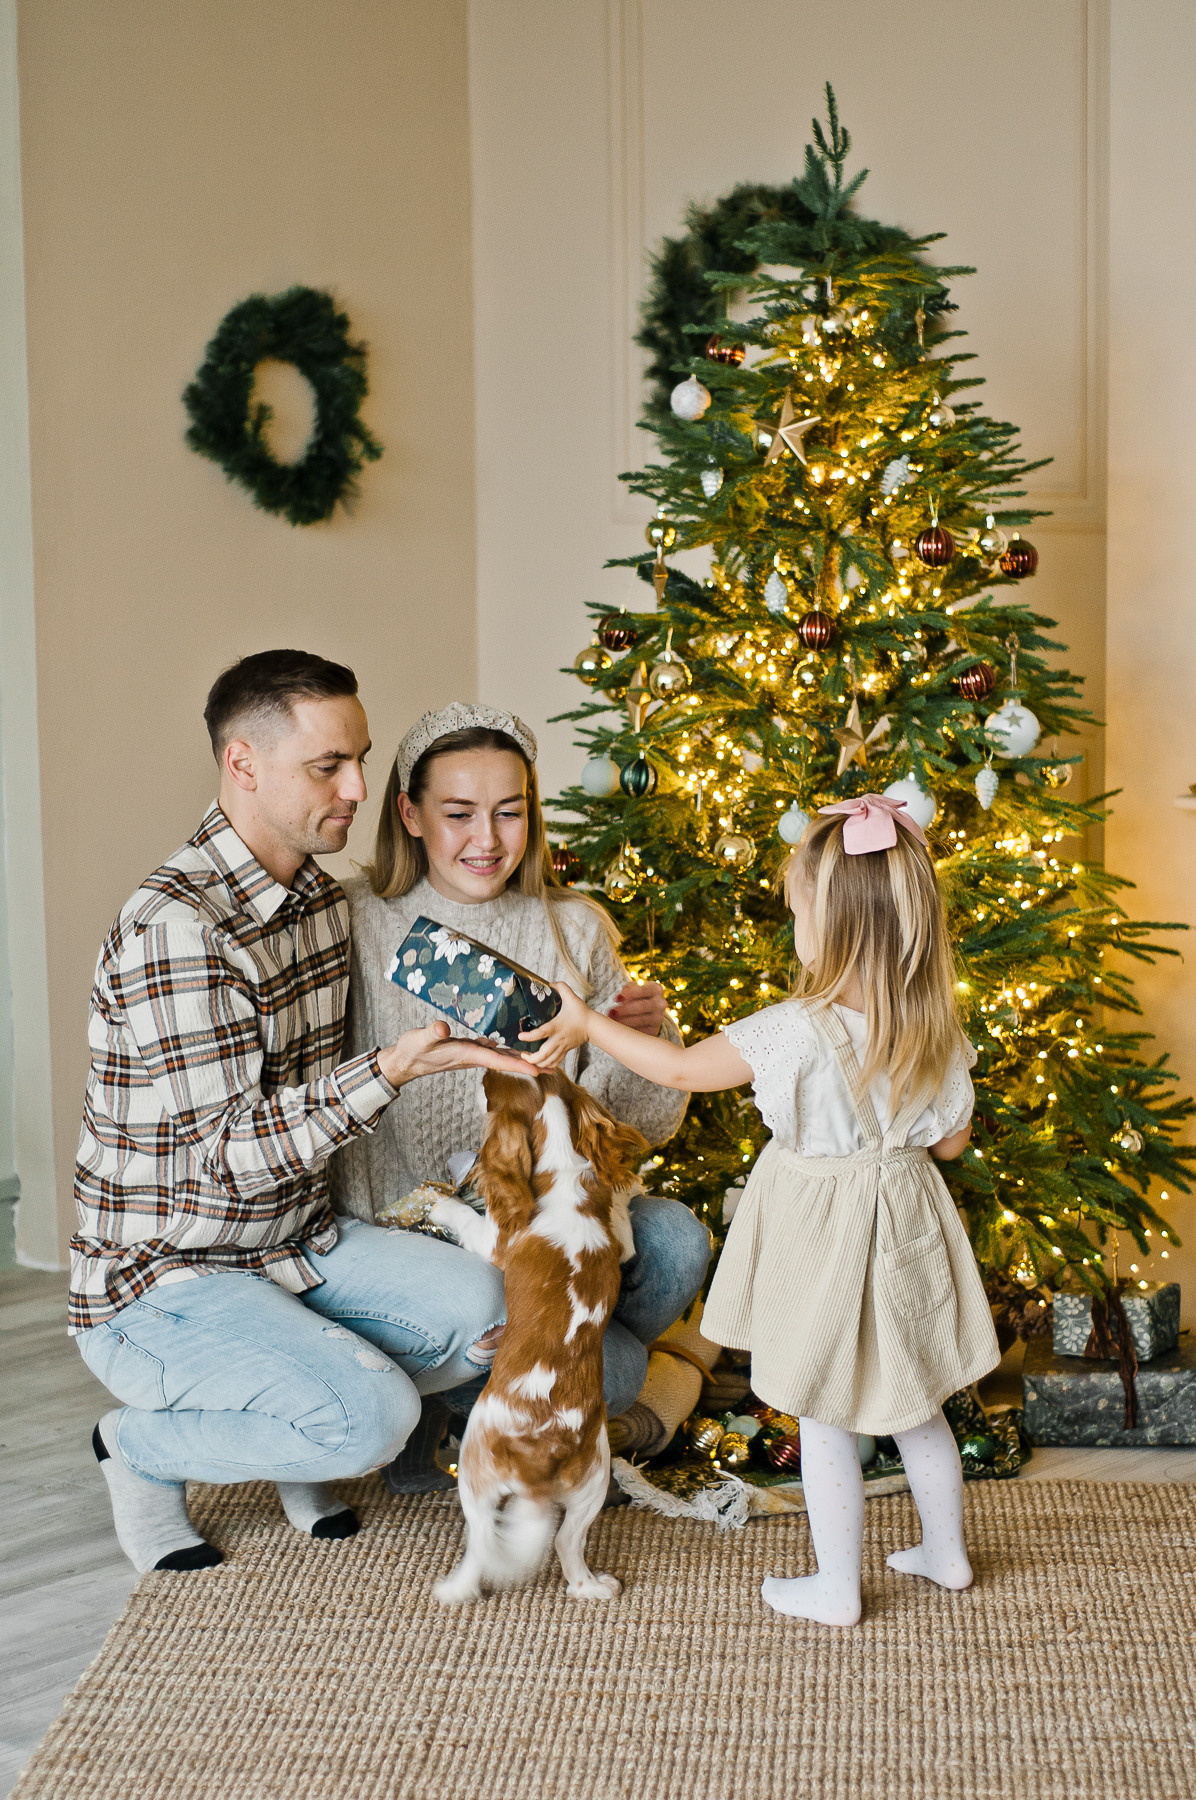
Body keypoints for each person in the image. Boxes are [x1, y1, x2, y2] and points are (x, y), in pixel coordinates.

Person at [72, 651, 528, 1575]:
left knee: (492, 1313)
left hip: (295, 1246)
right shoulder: (177, 929)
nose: (358, 788)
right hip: (166, 1279)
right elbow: (232, 1155)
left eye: (359, 759)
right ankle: (139, 1450)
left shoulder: (320, 902)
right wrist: (391, 1070)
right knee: (372, 1424)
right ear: (242, 763)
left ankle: (301, 1410)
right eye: (329, 766)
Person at [521, 792, 1001, 1629]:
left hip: (823, 1231)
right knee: (916, 1398)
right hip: (908, 1222)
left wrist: (588, 1022)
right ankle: (946, 1552)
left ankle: (836, 1586)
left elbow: (678, 1071)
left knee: (822, 1409)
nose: (792, 921)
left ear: (833, 925)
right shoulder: (934, 1024)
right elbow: (952, 1143)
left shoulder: (795, 1029)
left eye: (798, 909)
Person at [329, 702, 709, 1490]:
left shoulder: (573, 927)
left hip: (546, 1216)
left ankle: (496, 1396)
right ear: (409, 814)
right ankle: (459, 1398)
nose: (488, 839)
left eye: (510, 811)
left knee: (677, 1242)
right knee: (619, 1373)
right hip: (417, 1230)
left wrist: (639, 1040)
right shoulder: (353, 921)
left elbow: (642, 1127)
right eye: (459, 813)